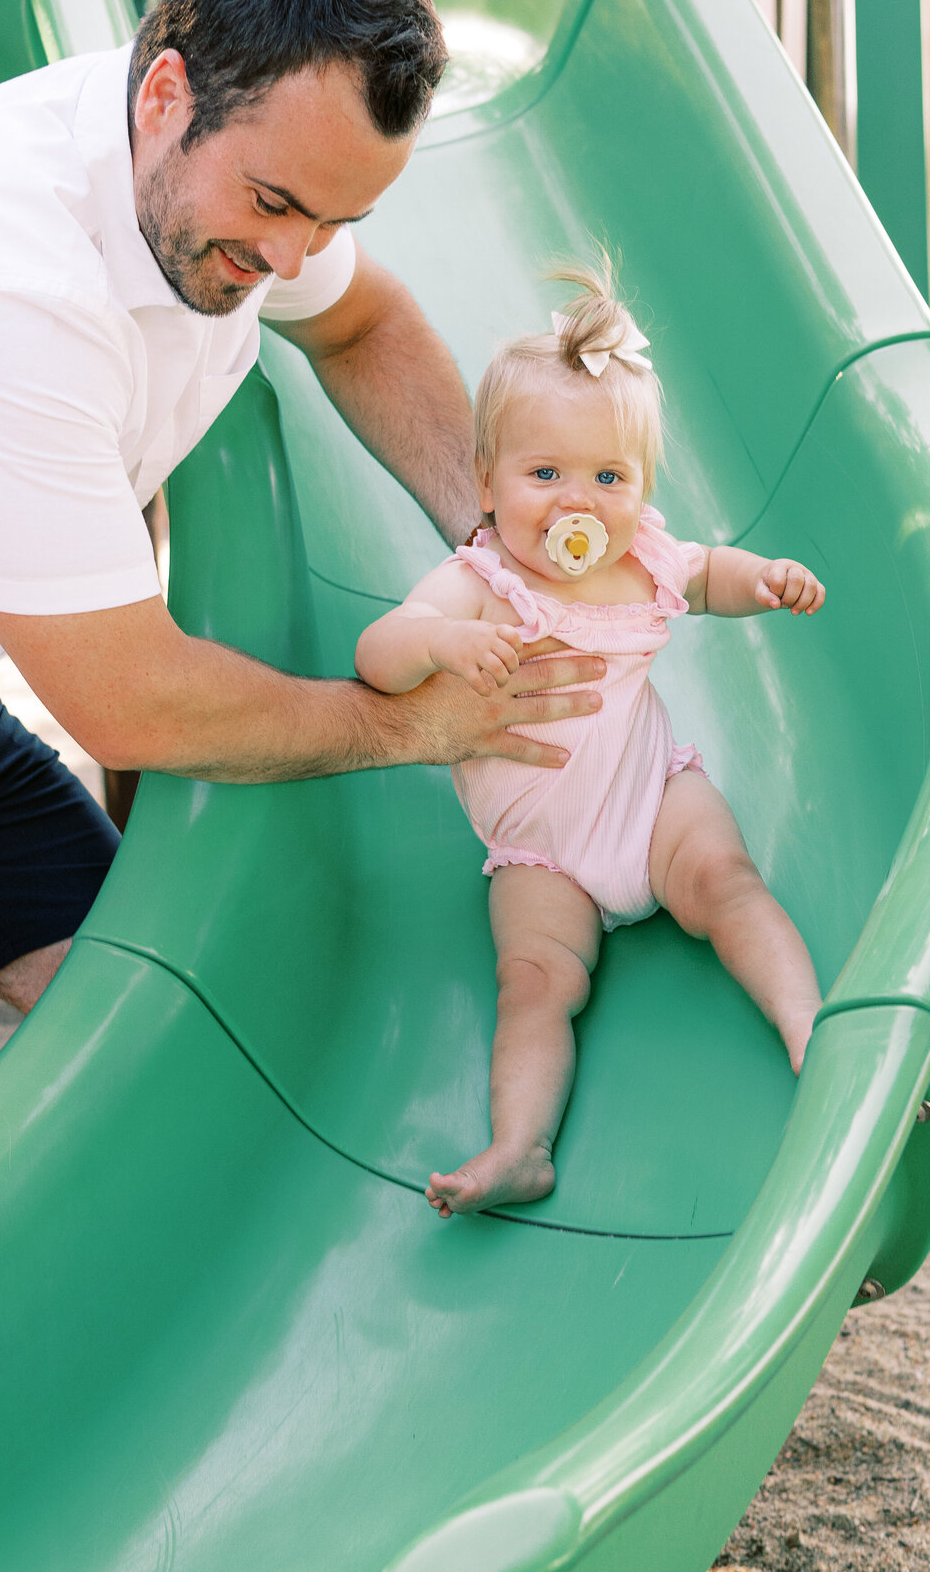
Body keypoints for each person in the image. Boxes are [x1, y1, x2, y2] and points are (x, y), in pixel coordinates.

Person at [0, 0, 608, 1267]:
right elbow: (132, 707)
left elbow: (367, 323)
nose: (293, 261)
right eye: (275, 210)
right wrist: (404, 729)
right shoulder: (1, 298)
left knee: (184, 1037)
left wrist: (486, 541)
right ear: (163, 94)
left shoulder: (246, 176)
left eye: (335, 218)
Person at [354, 259, 826, 1219]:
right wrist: (442, 642)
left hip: (652, 803)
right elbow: (378, 653)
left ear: (643, 488)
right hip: (543, 853)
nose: (580, 503)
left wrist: (764, 580)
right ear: (485, 483)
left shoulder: (642, 556)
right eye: (545, 474)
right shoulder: (483, 583)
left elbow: (707, 574)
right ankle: (519, 1146)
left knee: (729, 885)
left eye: (609, 477)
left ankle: (811, 1030)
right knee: (532, 984)